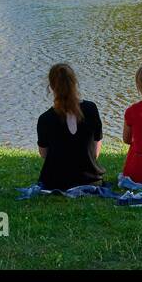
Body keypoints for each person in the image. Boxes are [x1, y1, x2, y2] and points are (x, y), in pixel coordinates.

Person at [36, 63, 105, 191]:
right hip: (91, 181)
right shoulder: (91, 109)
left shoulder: (45, 119)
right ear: (74, 83)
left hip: (55, 182)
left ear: (51, 87)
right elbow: (95, 153)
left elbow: (44, 154)